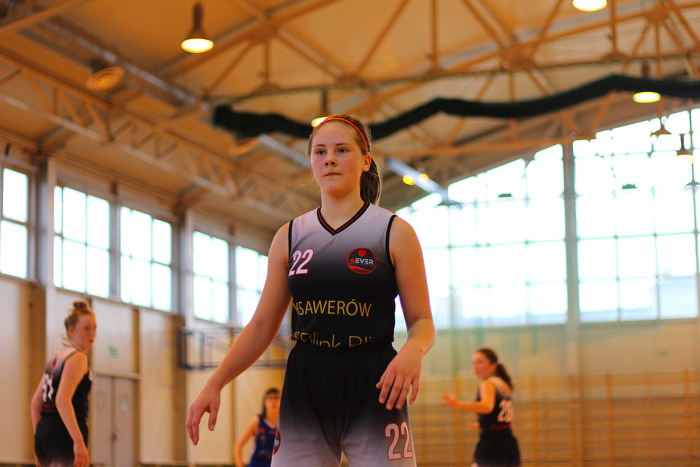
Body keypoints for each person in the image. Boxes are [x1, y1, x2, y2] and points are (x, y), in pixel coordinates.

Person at [187, 114, 436, 466]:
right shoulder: (289, 236)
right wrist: (215, 382)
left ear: (366, 161)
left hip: (374, 380)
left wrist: (413, 350)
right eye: (320, 151)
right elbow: (261, 325)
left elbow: (422, 321)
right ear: (311, 162)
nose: (330, 159)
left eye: (342, 150)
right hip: (306, 380)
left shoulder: (394, 232)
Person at [31, 300, 97, 467]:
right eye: (87, 328)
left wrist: (38, 441)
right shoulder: (78, 357)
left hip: (44, 432)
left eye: (94, 328)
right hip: (64, 433)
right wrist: (78, 442)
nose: (92, 334)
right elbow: (62, 399)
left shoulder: (56, 356)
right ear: (71, 331)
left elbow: (35, 403)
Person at [441, 347, 521, 467]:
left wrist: (458, 404)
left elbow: (487, 406)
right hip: (510, 445)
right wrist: (486, 424)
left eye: (480, 362)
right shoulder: (503, 384)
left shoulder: (487, 384)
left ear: (493, 366)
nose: (476, 366)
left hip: (492, 446)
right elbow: (509, 419)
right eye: (474, 363)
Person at [233, 388, 281, 467]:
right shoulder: (257, 421)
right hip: (257, 463)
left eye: (276, 398)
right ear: (264, 402)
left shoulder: (284, 422)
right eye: (270, 398)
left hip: (275, 463)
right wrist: (239, 464)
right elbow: (238, 446)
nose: (273, 401)